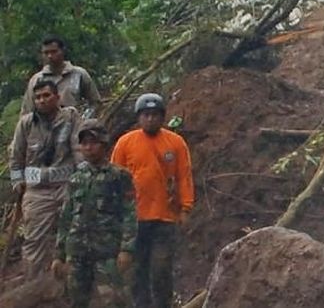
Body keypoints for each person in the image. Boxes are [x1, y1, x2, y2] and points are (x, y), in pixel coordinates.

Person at [111, 93, 194, 308]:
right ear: (138, 117)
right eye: (146, 115)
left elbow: (184, 176)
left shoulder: (175, 143)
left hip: (164, 217)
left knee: (161, 268)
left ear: (162, 117)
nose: (150, 119)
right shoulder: (125, 143)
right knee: (137, 270)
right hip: (134, 219)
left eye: (155, 115)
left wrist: (185, 208)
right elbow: (113, 180)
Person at [53, 119, 137, 308]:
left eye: (93, 142)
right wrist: (59, 254)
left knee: (114, 301)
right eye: (84, 143)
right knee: (77, 300)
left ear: (104, 144)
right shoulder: (76, 178)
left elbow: (130, 214)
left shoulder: (119, 176)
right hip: (77, 253)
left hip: (107, 253)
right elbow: (66, 217)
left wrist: (127, 249)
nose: (88, 148)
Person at [8, 77, 82, 278]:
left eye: (46, 95)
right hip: (37, 190)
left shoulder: (70, 117)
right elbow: (16, 156)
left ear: (57, 97)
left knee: (75, 233)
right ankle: (33, 282)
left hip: (66, 185)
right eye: (38, 97)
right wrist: (17, 181)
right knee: (34, 240)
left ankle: (74, 281)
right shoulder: (26, 124)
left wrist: (84, 176)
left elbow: (78, 148)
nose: (42, 100)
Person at [21, 36, 100, 117]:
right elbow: (27, 110)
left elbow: (95, 102)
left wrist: (84, 119)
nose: (50, 56)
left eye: (54, 52)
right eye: (46, 53)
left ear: (63, 51)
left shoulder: (79, 74)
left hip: (73, 121)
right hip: (45, 123)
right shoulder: (37, 79)